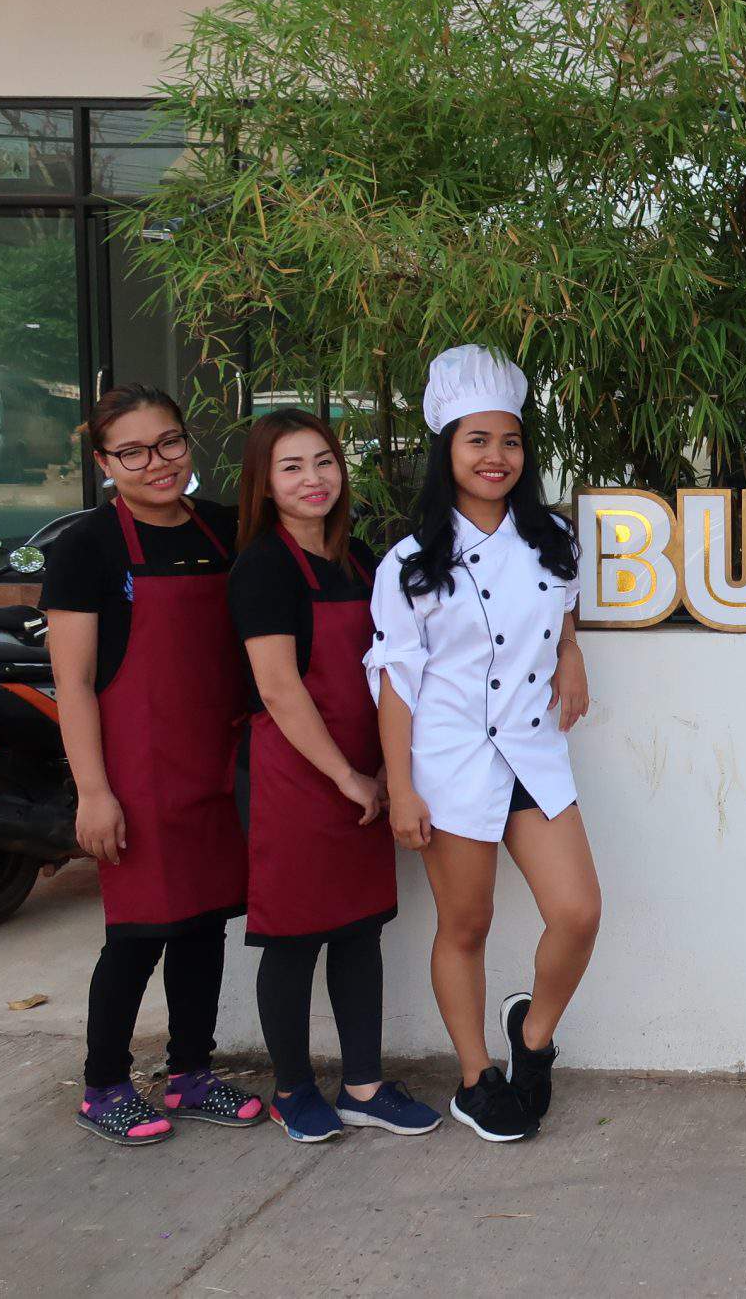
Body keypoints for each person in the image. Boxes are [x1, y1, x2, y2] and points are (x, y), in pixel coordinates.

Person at [367, 345, 600, 1143]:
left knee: (578, 911)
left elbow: (559, 607)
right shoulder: (410, 562)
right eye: (477, 440)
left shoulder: (552, 537)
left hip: (532, 751)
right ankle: (476, 1079)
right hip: (453, 759)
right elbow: (396, 682)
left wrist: (571, 650)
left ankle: (532, 1039)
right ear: (447, 449)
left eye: (510, 440)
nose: (496, 456)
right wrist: (401, 787)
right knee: (466, 926)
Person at [43, 384, 264, 1145]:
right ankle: (103, 1084)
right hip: (134, 770)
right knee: (137, 933)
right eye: (132, 452)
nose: (157, 462)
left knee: (204, 922)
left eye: (168, 442)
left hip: (213, 760)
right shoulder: (87, 547)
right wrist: (93, 791)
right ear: (104, 463)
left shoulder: (225, 528)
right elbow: (74, 682)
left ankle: (190, 1073)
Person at [229, 409, 442, 1144]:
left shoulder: (360, 559)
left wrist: (386, 761)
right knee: (293, 938)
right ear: (264, 483)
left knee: (358, 929)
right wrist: (348, 776)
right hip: (294, 776)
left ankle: (363, 1085)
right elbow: (279, 688)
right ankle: (293, 1088)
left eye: (324, 461)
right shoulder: (262, 566)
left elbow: (396, 663)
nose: (313, 479)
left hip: (366, 767)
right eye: (291, 467)